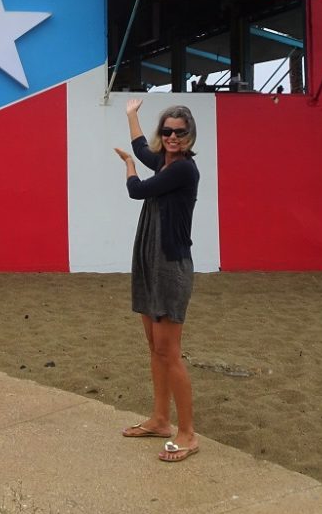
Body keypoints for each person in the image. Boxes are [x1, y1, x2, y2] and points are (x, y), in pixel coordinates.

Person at [113, 98, 201, 463]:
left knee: (169, 351)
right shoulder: (165, 162)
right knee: (154, 346)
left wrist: (131, 167)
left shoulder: (182, 171)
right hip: (150, 260)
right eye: (166, 131)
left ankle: (188, 433)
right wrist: (132, 116)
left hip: (170, 265)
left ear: (189, 135)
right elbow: (141, 146)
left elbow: (137, 190)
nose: (172, 137)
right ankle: (161, 420)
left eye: (179, 132)